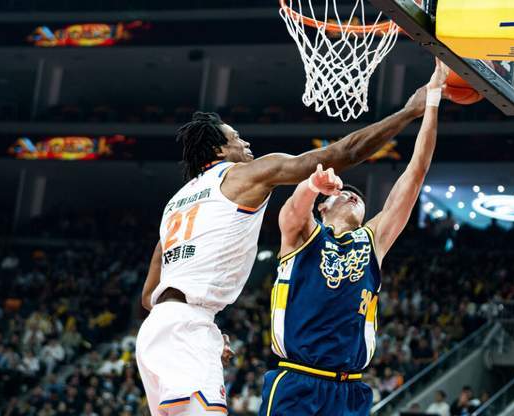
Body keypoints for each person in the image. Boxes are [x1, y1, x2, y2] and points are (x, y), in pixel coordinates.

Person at [136, 64, 434, 415]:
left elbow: (149, 295)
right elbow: (341, 154)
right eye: (236, 138)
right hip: (199, 334)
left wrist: (198, 325)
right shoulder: (243, 175)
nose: (246, 143)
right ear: (218, 151)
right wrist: (409, 112)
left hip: (159, 331)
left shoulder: (176, 203)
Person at [259, 60, 448, 416]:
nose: (352, 195)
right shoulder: (305, 235)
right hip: (299, 381)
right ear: (322, 207)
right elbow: (292, 212)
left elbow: (416, 171)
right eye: (344, 192)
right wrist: (311, 184)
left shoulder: (372, 241)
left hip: (351, 389)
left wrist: (433, 102)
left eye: (358, 197)